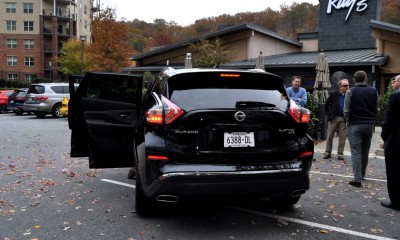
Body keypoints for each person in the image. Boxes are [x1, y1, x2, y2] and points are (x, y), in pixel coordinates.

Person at [344, 70, 378, 188]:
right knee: (365, 151)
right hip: (369, 125)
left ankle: (357, 179)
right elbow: (376, 108)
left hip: (355, 124)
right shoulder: (373, 91)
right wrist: (373, 121)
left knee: (356, 152)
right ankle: (362, 175)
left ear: (354, 80)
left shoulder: (350, 91)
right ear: (366, 79)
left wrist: (348, 122)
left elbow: (346, 110)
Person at [380, 75, 400, 210]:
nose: (392, 82)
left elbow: (388, 121)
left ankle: (396, 201)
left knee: (394, 171)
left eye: (395, 80)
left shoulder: (395, 97)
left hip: (396, 140)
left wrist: (385, 137)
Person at [323, 79, 349, 160]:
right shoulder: (334, 94)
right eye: (345, 85)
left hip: (344, 119)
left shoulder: (350, 95)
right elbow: (326, 104)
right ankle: (327, 152)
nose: (347, 87)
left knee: (342, 137)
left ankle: (340, 154)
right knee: (330, 136)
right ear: (340, 87)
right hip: (334, 118)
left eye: (348, 85)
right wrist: (328, 115)